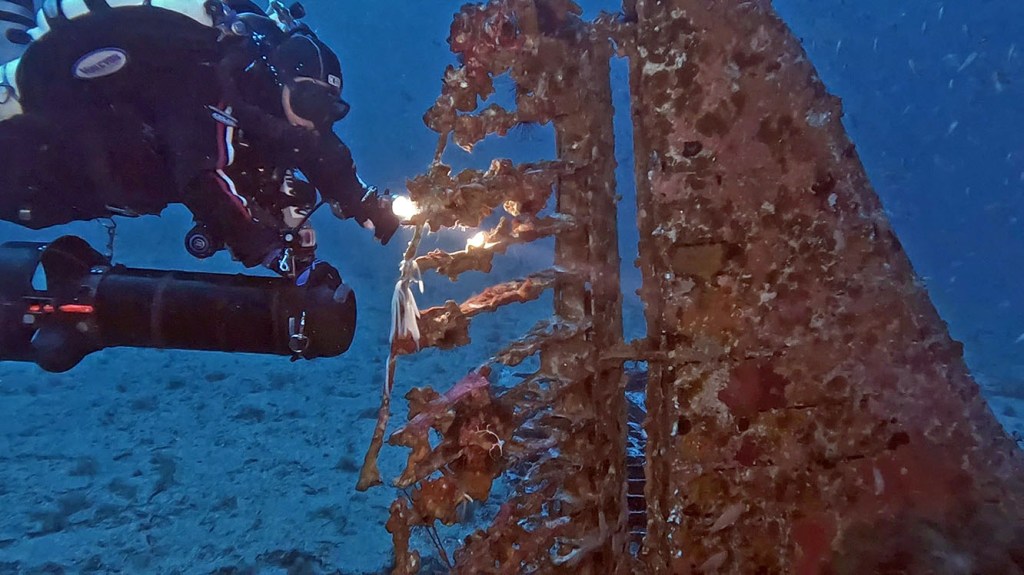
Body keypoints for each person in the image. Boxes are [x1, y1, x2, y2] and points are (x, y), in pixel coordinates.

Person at [0, 0, 399, 280]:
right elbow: (202, 178)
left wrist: (362, 201)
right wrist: (267, 251)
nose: (315, 122)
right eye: (310, 102)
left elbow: (318, 149)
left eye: (327, 110)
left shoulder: (263, 95)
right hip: (33, 167)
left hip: (69, 179)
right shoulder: (210, 81)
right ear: (281, 79)